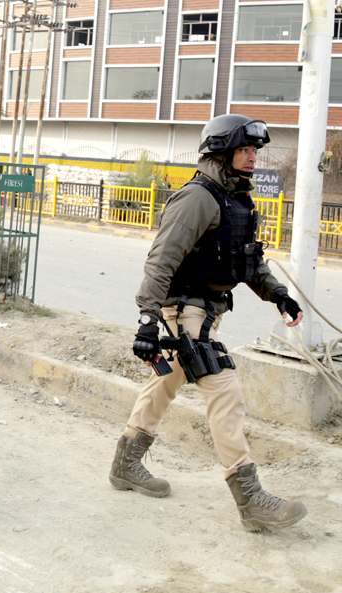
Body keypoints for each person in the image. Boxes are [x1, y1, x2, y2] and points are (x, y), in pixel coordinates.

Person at [111, 114, 308, 532]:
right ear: (220, 152)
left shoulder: (234, 199)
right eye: (245, 150)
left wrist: (278, 295)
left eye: (255, 151)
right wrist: (148, 319)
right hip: (185, 310)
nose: (254, 157)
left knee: (164, 383)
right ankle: (249, 495)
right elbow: (161, 260)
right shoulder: (198, 198)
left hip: (209, 309)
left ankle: (124, 464)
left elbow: (245, 262)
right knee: (225, 390)